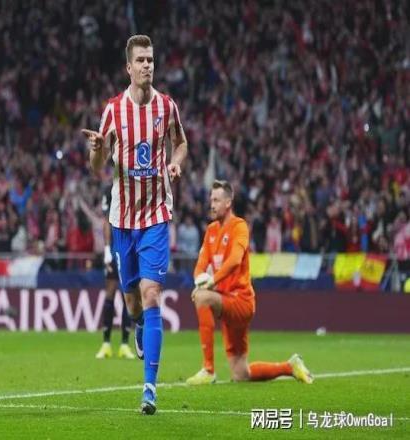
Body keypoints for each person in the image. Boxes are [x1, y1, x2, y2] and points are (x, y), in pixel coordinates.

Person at [82, 34, 188, 414]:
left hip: (156, 215)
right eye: (140, 60)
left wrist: (175, 162)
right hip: (122, 220)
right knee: (131, 302)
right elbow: (97, 169)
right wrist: (98, 152)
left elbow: (181, 143)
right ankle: (139, 326)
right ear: (128, 67)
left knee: (151, 294)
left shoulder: (167, 106)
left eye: (151, 60)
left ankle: (149, 388)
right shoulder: (113, 110)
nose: (147, 65)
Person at [187, 180, 313, 385]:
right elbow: (200, 266)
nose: (212, 205)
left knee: (202, 298)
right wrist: (199, 280)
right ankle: (290, 366)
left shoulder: (239, 227)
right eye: (211, 200)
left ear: (228, 203)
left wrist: (211, 283)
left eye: (216, 200)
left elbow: (235, 260)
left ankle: (208, 370)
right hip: (226, 304)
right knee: (240, 373)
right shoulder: (211, 231)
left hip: (241, 301)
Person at [94, 187, 135, 360]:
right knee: (110, 293)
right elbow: (106, 221)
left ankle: (124, 344)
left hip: (129, 248)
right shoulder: (109, 190)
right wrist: (106, 250)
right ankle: (106, 344)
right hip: (114, 248)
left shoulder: (133, 186)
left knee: (128, 295)